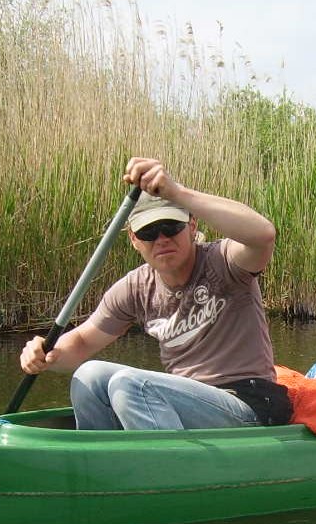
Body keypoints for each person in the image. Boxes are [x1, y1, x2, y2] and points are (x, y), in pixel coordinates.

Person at [18, 157, 287, 430]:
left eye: (170, 227)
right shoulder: (136, 288)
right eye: (149, 232)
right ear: (134, 239)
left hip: (247, 401)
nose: (161, 239)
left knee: (131, 385)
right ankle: (101, 453)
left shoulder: (224, 262)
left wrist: (176, 193)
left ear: (192, 226)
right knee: (89, 375)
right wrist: (47, 352)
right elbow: (82, 342)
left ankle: (163, 456)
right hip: (185, 401)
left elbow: (263, 235)